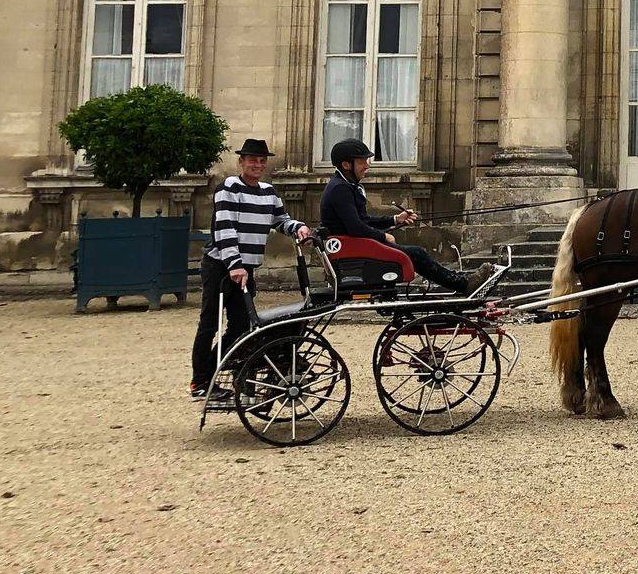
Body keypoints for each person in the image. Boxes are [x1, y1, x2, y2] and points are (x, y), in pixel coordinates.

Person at [191, 139, 311, 400]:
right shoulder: (229, 188)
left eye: (261, 160)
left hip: (247, 269)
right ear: (241, 162)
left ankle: (221, 373)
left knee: (241, 328)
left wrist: (298, 227)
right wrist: (234, 264)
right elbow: (224, 228)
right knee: (209, 323)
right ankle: (199, 382)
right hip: (221, 266)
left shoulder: (268, 192)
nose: (258, 165)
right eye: (252, 160)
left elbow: (281, 220)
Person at [320, 138, 469, 295]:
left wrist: (395, 219)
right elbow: (356, 227)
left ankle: (460, 281)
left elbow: (363, 220)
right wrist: (383, 236)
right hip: (353, 247)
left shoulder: (345, 185)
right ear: (346, 165)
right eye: (362, 161)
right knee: (417, 253)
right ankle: (463, 284)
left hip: (356, 244)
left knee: (415, 252)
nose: (367, 165)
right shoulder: (340, 189)